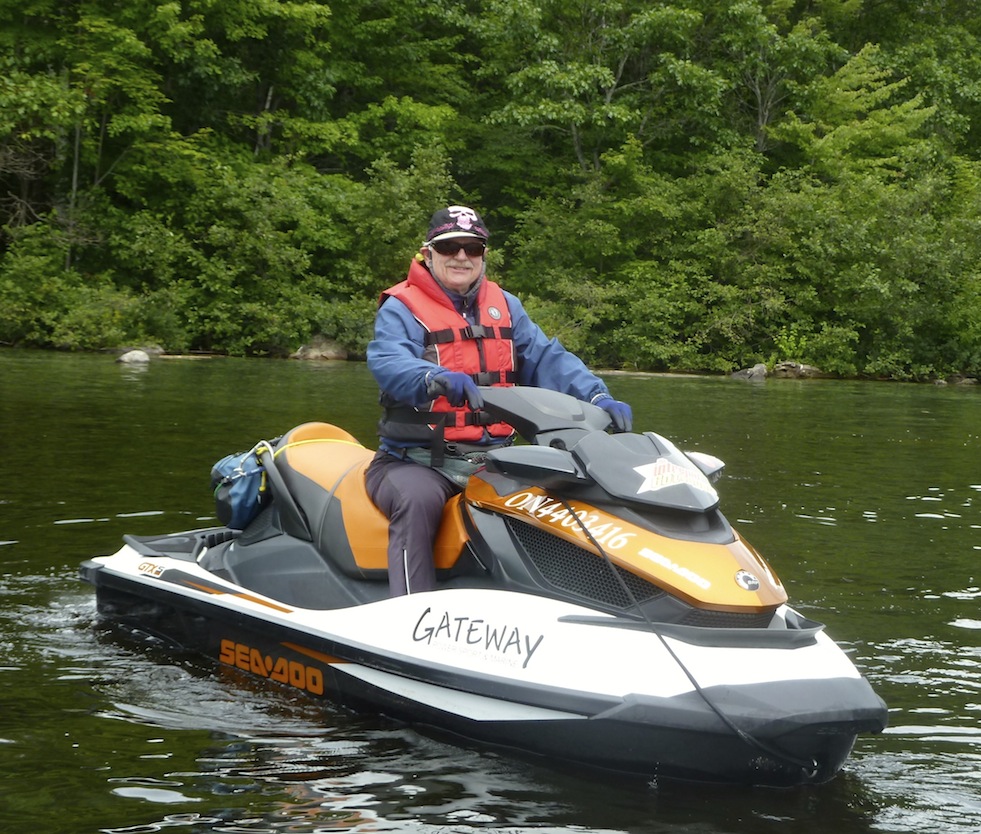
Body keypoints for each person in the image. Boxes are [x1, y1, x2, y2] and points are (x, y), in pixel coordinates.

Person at [365, 205, 632, 596]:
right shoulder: (401, 307)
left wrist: (597, 396)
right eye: (449, 246)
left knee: (562, 501)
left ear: (483, 255)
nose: (461, 256)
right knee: (417, 502)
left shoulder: (507, 306)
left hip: (494, 460)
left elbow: (547, 359)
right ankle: (407, 610)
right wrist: (433, 377)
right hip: (416, 461)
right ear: (428, 252)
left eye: (472, 248)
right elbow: (388, 359)